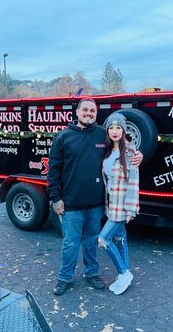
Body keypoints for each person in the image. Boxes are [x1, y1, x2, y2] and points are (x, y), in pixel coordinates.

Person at [47, 98, 143, 296]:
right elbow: (53, 170)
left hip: (96, 204)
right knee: (71, 243)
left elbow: (124, 145)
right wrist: (55, 198)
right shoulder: (63, 137)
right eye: (85, 110)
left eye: (92, 111)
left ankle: (91, 274)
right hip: (70, 204)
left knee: (92, 241)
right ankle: (65, 277)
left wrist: (139, 154)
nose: (89, 113)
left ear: (96, 114)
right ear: (77, 112)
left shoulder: (102, 134)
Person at [99, 113, 139, 295]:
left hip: (121, 207)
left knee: (103, 239)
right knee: (120, 240)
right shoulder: (107, 152)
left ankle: (123, 273)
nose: (115, 131)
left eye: (118, 128)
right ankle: (126, 272)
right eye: (111, 128)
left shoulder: (131, 153)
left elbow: (134, 183)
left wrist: (131, 209)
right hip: (111, 206)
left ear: (124, 130)